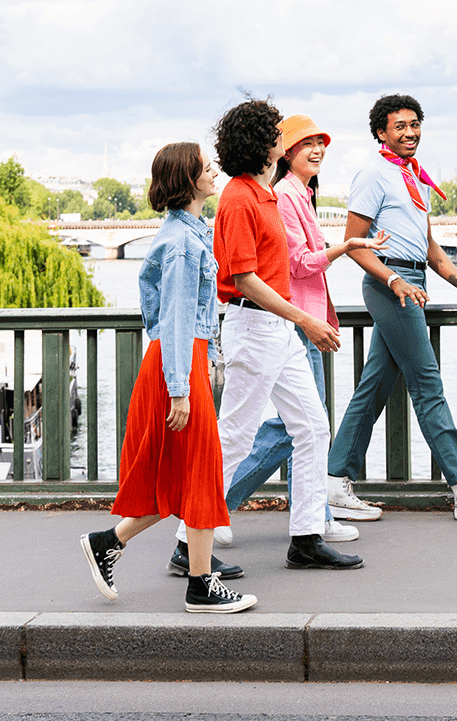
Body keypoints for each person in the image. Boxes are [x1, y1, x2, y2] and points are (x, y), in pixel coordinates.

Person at [79, 141, 256, 614]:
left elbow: (180, 320)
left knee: (186, 472)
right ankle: (200, 585)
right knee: (200, 470)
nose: (214, 171)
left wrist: (202, 363)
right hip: (177, 367)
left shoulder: (188, 233)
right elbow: (176, 319)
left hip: (181, 361)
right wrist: (181, 388)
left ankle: (108, 543)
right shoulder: (181, 243)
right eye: (206, 167)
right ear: (188, 178)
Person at [327, 94, 457, 523]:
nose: (410, 133)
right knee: (427, 383)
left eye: (415, 125)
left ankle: (335, 481)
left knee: (374, 387)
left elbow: (430, 249)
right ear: (381, 132)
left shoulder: (412, 178)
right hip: (390, 282)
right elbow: (354, 245)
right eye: (400, 126)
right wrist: (394, 281)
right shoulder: (374, 175)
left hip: (413, 281)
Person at [214, 114, 386, 546]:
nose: (284, 140)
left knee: (311, 426)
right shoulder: (240, 197)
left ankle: (308, 537)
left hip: (278, 325)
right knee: (235, 437)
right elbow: (245, 278)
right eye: (279, 135)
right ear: (263, 144)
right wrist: (306, 318)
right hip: (257, 324)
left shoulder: (266, 194)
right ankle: (189, 537)